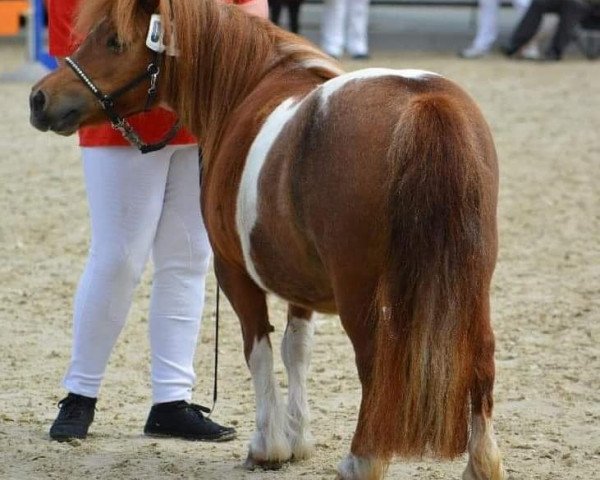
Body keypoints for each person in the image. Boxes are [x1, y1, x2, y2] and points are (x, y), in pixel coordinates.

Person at [47, 0, 268, 442]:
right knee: (118, 259)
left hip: (197, 119)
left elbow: (253, 16)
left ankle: (171, 400)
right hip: (116, 119)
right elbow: (73, 45)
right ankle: (80, 393)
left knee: (188, 259)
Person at [503, 0, 600, 60]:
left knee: (572, 7)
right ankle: (516, 45)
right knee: (539, 2)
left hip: (592, 7)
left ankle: (554, 52)